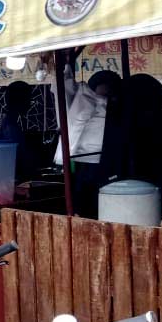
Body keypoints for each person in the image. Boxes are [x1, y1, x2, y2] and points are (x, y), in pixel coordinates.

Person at [54, 69, 121, 217]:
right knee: (84, 205)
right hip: (85, 165)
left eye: (109, 95)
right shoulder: (88, 105)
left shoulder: (116, 113)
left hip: (103, 166)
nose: (105, 100)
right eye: (102, 95)